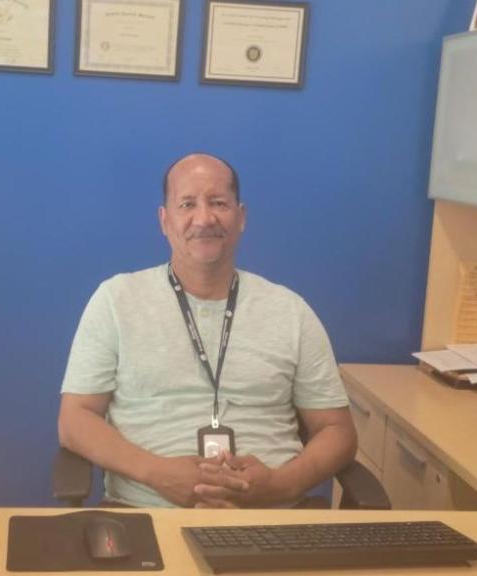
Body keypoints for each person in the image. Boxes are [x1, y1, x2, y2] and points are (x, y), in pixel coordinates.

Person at [58, 153, 356, 508]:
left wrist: (280, 484)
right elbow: (74, 420)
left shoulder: (291, 311)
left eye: (218, 203)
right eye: (187, 204)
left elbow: (338, 431)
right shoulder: (115, 300)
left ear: (241, 216)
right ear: (164, 220)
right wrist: (157, 473)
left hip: (272, 516)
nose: (204, 218)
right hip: (146, 513)